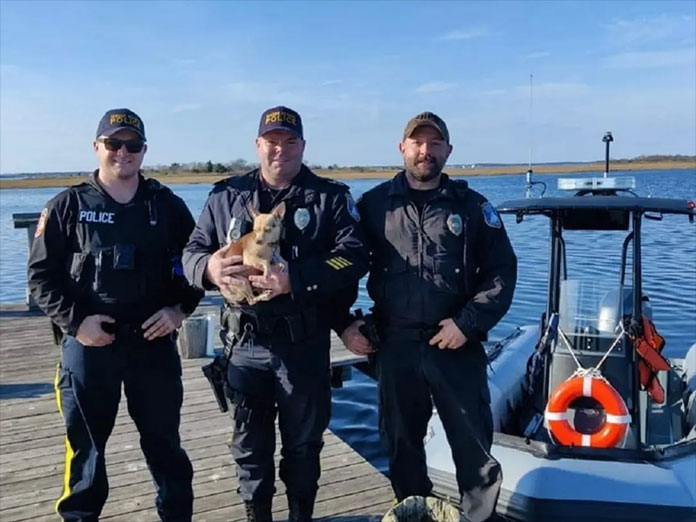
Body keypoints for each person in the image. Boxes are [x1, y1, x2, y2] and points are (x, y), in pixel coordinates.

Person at [182, 106, 368, 522]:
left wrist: (295, 279)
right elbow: (191, 251)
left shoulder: (329, 198)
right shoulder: (226, 196)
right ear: (257, 145)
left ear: (302, 146)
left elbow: (354, 257)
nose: (280, 149)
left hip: (303, 344)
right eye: (272, 141)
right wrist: (209, 269)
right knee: (250, 448)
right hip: (244, 343)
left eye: (289, 141)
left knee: (303, 447)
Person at [27, 108, 203, 522]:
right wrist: (76, 323)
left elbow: (196, 267)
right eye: (114, 143)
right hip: (90, 345)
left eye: (133, 145)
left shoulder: (167, 206)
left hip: (152, 344)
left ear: (144, 151)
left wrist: (178, 310)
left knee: (165, 445)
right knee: (86, 450)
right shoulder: (68, 205)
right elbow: (40, 277)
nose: (123, 152)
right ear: (97, 147)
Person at [340, 112, 517, 522]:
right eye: (417, 143)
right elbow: (345, 266)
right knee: (401, 445)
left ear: (448, 151)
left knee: (474, 452)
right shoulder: (373, 205)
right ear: (402, 148)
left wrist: (468, 323)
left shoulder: (472, 207)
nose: (425, 151)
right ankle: (412, 513)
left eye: (435, 143)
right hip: (395, 345)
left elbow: (501, 272)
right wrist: (344, 323)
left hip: (455, 343)